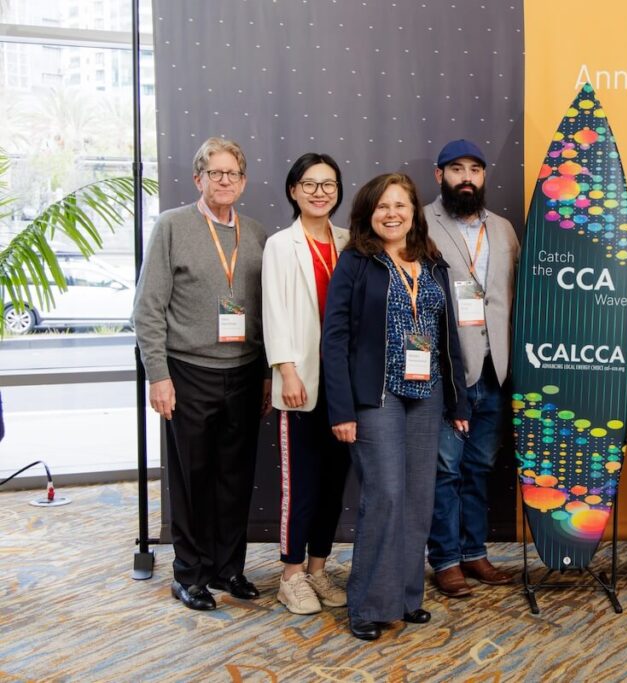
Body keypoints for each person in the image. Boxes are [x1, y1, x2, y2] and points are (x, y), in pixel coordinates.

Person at [322, 172, 470, 641]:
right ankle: (368, 603)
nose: (392, 214)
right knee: (384, 495)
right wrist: (341, 410)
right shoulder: (356, 263)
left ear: (413, 212)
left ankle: (405, 599)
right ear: (369, 212)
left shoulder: (433, 263)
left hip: (427, 395)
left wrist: (459, 401)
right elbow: (335, 339)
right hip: (375, 397)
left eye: (401, 205)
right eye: (383, 206)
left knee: (417, 498)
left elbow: (448, 336)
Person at [134, 137, 270, 611]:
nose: (225, 181)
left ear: (244, 181)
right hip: (188, 372)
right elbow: (147, 310)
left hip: (246, 372)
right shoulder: (172, 227)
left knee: (235, 477)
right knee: (192, 478)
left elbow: (267, 310)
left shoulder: (255, 233)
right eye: (216, 173)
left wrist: (269, 374)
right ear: (199, 179)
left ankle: (228, 567)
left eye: (233, 173)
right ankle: (189, 574)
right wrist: (158, 375)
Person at [424, 140, 520, 598]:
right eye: (457, 169)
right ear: (439, 174)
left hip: (496, 372)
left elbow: (515, 298)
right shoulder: (419, 222)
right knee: (445, 469)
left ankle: (473, 552)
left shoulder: (502, 230)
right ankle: (444, 560)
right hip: (447, 370)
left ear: (484, 177)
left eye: (475, 170)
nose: (467, 177)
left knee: (479, 467)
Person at [262, 153, 351, 615]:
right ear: (293, 190)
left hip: (342, 386)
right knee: (301, 485)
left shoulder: (349, 242)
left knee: (335, 483)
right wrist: (286, 368)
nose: (320, 191)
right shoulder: (281, 244)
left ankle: (318, 569)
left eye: (329, 183)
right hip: (302, 382)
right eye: (310, 183)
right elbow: (273, 309)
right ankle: (290, 574)